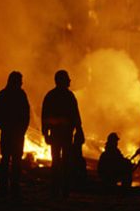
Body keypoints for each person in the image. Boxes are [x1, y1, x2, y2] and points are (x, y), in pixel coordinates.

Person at [42, 70, 83, 198]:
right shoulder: (69, 96)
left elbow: (45, 116)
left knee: (57, 161)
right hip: (64, 134)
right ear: (62, 80)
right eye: (67, 79)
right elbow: (75, 115)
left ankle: (56, 189)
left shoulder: (51, 95)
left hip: (57, 134)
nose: (70, 81)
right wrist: (79, 129)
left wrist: (46, 133)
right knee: (65, 161)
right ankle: (63, 189)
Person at [0, 71, 30, 196]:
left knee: (7, 159)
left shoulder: (2, 95)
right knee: (14, 160)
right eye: (20, 81)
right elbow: (25, 114)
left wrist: (4, 127)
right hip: (14, 133)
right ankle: (13, 186)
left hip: (10, 132)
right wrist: (21, 129)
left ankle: (4, 186)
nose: (21, 83)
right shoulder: (20, 95)